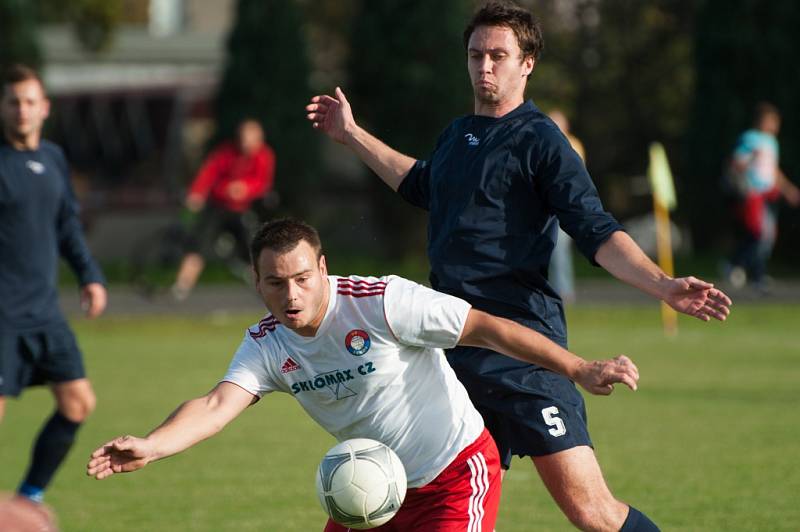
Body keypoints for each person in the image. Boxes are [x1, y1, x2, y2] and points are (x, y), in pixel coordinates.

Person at [305, 1, 732, 530]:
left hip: (527, 354)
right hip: (453, 355)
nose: (485, 67)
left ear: (527, 62)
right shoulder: (457, 135)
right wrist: (352, 135)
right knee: (405, 499)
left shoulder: (541, 141)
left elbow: (596, 231)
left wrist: (663, 284)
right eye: (476, 55)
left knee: (593, 513)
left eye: (499, 56)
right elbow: (419, 184)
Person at [87, 218, 641, 532]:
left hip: (455, 474)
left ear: (323, 268)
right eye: (275, 283)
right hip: (368, 494)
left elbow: (487, 328)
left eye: (303, 278)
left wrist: (578, 367)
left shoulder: (381, 303)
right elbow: (214, 406)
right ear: (257, 283)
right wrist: (154, 446)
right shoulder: (266, 342)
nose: (292, 294)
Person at [0, 64, 107, 504]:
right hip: (2, 318)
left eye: (29, 102)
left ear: (44, 108)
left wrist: (90, 276)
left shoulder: (53, 158)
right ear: (1, 108)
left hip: (44, 313)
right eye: (12, 102)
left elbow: (66, 226)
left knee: (78, 403)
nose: (22, 110)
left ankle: (30, 497)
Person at [171, 118, 276, 300]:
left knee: (252, 248)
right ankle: (182, 286)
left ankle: (264, 286)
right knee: (198, 243)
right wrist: (197, 193)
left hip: (242, 209)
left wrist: (245, 189)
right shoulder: (226, 152)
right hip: (218, 207)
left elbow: (263, 183)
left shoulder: (264, 155)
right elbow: (208, 173)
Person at [724, 102, 800, 292]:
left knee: (767, 236)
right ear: (761, 121)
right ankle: (744, 268)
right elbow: (736, 162)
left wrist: (788, 189)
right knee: (760, 234)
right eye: (771, 121)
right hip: (754, 193)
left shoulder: (772, 142)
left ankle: (742, 267)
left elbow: (773, 171)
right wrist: (750, 159)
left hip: (769, 194)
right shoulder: (750, 138)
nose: (774, 125)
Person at [548, 108, 585, 303]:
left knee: (560, 250)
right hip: (548, 208)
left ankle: (564, 291)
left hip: (563, 209)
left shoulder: (572, 144)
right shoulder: (545, 141)